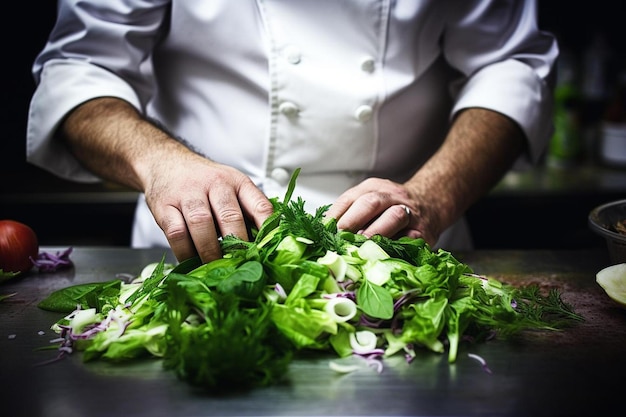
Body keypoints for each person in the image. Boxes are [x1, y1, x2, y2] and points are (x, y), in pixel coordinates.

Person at [27, 0, 558, 264]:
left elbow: (509, 66)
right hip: (201, 243)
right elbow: (81, 67)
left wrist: (432, 197)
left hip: (403, 240)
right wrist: (161, 162)